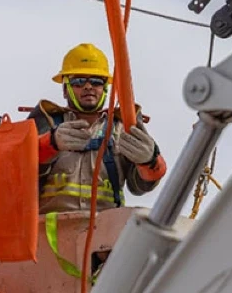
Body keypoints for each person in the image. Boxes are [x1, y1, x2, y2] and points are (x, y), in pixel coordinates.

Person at [27, 43, 167, 214]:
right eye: (78, 81)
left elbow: (140, 187)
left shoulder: (121, 128)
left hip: (104, 236)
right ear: (65, 90)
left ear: (105, 89)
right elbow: (20, 175)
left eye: (96, 81)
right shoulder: (45, 124)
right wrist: (50, 143)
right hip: (52, 236)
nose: (88, 86)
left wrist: (149, 161)